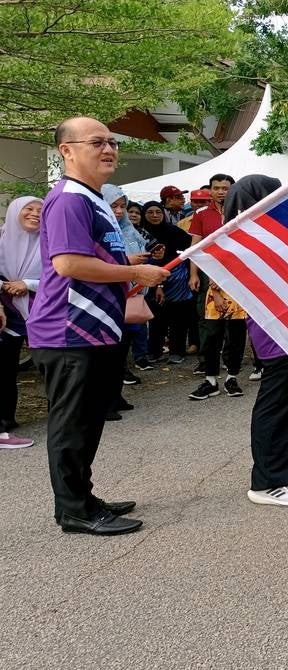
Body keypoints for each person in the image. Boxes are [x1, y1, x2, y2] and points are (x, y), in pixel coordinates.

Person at [29, 116, 168, 536]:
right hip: (69, 331)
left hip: (95, 329)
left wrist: (129, 264)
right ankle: (73, 510)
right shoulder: (70, 198)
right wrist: (135, 277)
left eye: (112, 142)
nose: (108, 149)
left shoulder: (93, 199)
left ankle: (85, 498)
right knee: (73, 425)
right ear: (67, 151)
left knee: (88, 422)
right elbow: (68, 264)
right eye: (96, 142)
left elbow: (91, 258)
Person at [213, 175, 288, 506]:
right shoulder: (242, 237)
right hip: (276, 330)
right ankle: (268, 482)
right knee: (277, 400)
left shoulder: (265, 231)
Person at [188, 173, 247, 400]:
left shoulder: (243, 213)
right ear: (210, 190)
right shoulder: (201, 214)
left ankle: (232, 377)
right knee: (210, 331)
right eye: (217, 188)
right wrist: (193, 274)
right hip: (209, 278)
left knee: (236, 331)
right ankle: (210, 379)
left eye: (225, 188)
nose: (221, 191)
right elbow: (195, 246)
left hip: (237, 279)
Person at [0, 197, 44, 448]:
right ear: (16, 210)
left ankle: (64, 415)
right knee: (5, 368)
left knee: (51, 364)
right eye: (29, 209)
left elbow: (60, 275)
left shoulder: (50, 241)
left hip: (42, 310)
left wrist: (26, 284)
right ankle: (6, 420)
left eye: (40, 210)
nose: (35, 214)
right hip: (5, 312)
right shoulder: (1, 238)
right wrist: (5, 286)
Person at [101, 184, 153, 390]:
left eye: (123, 206)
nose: (119, 211)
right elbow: (97, 262)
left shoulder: (130, 231)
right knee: (112, 345)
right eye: (113, 206)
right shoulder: (99, 230)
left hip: (134, 294)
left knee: (126, 340)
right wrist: (127, 261)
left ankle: (117, 387)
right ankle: (111, 391)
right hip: (110, 295)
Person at [139, 201, 193, 366]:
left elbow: (189, 248)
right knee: (156, 317)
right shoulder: (140, 234)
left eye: (158, 212)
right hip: (148, 279)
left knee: (177, 316)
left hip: (176, 279)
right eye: (150, 212)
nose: (155, 216)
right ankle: (154, 350)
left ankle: (177, 351)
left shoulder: (174, 231)